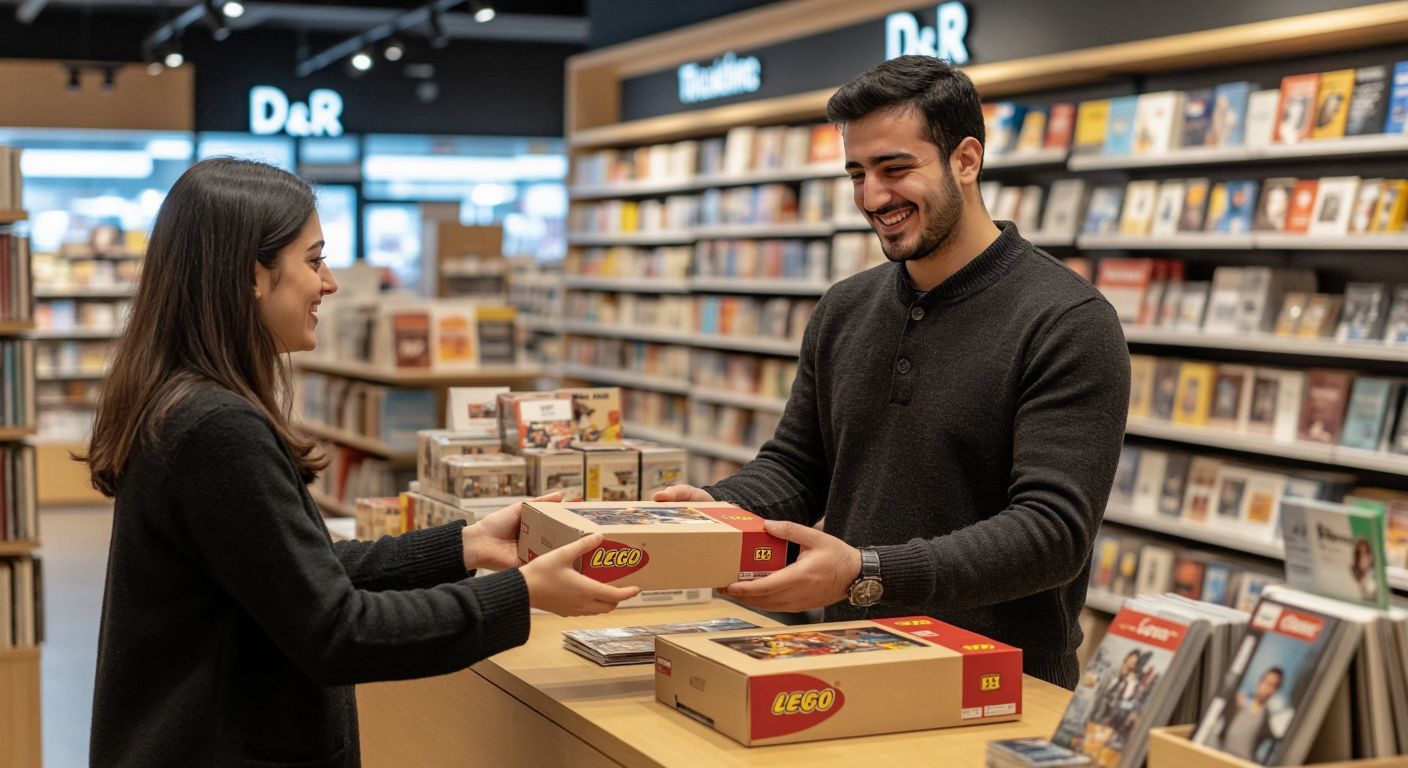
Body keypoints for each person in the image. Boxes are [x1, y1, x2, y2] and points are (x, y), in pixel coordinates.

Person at [83, 158, 639, 767]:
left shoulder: (182, 401)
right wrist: (520, 594)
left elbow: (296, 570)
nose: (330, 283)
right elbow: (337, 631)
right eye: (314, 259)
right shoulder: (216, 428)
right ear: (251, 274)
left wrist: (467, 545)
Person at [655, 56, 1129, 688]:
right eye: (858, 173)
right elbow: (800, 466)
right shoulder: (844, 308)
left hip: (995, 684)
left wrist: (867, 572)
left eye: (895, 168)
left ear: (966, 160)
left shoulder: (1068, 320)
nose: (873, 197)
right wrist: (714, 508)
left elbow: (1052, 533)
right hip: (848, 658)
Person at [1215, 667, 1285, 761]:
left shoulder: (1269, 720)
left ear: (1275, 691)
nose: (1268, 688)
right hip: (1219, 755)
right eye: (1267, 682)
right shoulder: (1236, 702)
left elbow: (1277, 740)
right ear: (1260, 682)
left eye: (1274, 686)